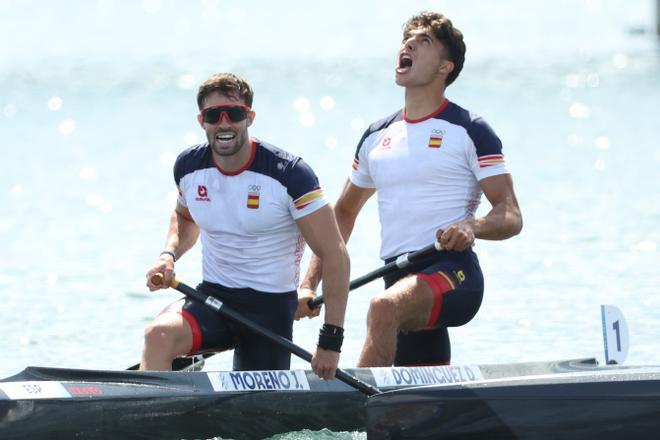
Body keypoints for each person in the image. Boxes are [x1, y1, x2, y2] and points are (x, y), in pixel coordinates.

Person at [296, 11, 522, 367]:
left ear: (445, 67)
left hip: (453, 271)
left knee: (383, 308)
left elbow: (510, 215)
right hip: (398, 275)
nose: (409, 43)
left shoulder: (470, 130)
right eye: (408, 39)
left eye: (424, 41)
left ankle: (355, 417)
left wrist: (471, 226)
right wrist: (309, 284)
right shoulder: (375, 136)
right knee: (419, 404)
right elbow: (341, 216)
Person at [140, 73, 350, 380]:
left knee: (260, 427)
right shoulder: (188, 167)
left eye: (234, 114)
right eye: (214, 115)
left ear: (249, 117)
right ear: (202, 121)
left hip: (270, 311)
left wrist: (330, 341)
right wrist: (168, 254)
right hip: (211, 298)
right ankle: (151, 419)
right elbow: (185, 218)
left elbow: (336, 255)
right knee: (156, 334)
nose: (224, 123)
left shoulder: (290, 174)